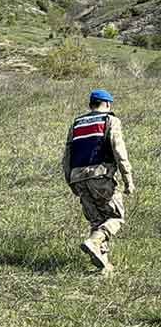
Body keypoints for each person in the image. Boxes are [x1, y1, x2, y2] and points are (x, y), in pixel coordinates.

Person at [62, 89, 134, 273]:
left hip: (78, 177)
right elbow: (119, 150)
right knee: (115, 217)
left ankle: (104, 265)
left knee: (97, 221)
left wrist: (71, 181)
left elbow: (67, 155)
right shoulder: (110, 120)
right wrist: (128, 179)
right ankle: (94, 242)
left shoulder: (76, 123)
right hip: (101, 175)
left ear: (91, 104)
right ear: (108, 104)